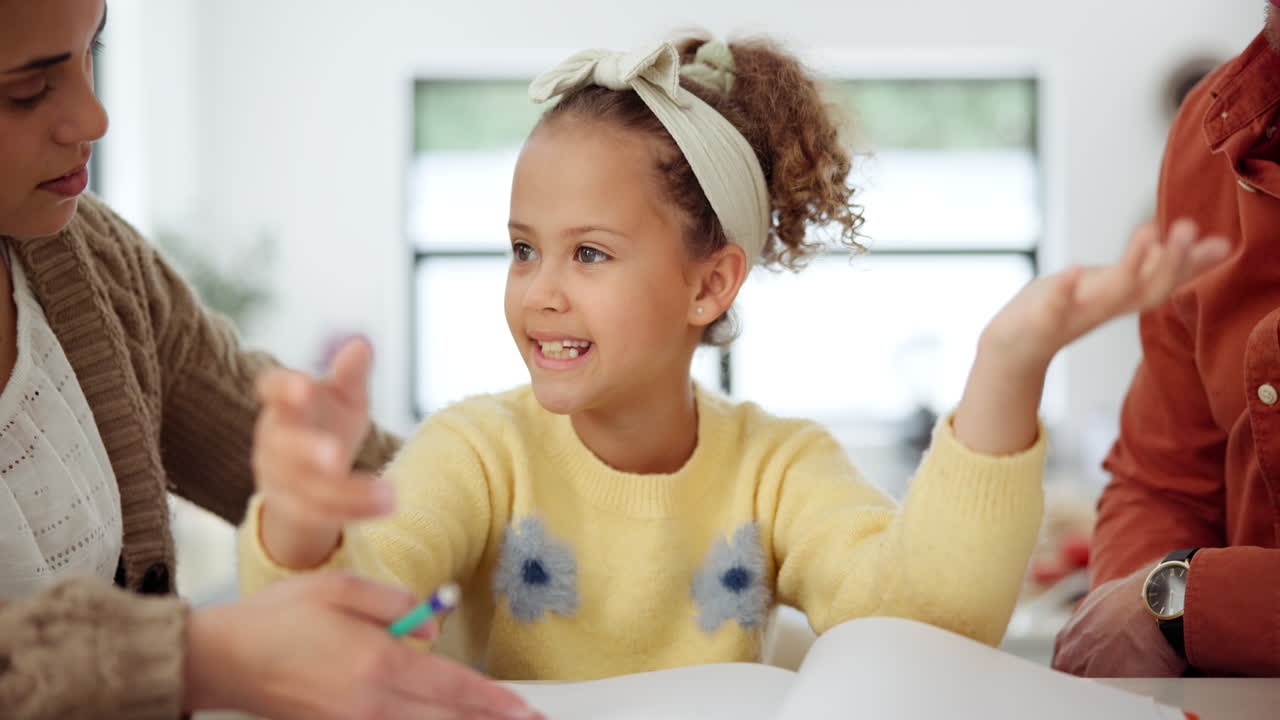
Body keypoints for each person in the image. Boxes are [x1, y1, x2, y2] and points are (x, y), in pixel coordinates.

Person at [243, 35, 1228, 681]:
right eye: (521, 249)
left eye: (589, 254)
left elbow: (923, 615)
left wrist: (1008, 362)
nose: (539, 289)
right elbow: (350, 608)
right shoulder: (477, 450)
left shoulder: (778, 467)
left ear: (709, 285)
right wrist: (299, 520)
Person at [0, 1, 537, 717]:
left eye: (90, 51)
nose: (94, 118)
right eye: (27, 90)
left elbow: (358, 471)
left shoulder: (95, 265)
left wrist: (559, 507)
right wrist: (197, 659)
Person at [1053, 3, 1280, 679]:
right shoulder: (1208, 133)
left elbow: (1160, 603)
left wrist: (1182, 605)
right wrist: (1132, 621)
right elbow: (1163, 480)